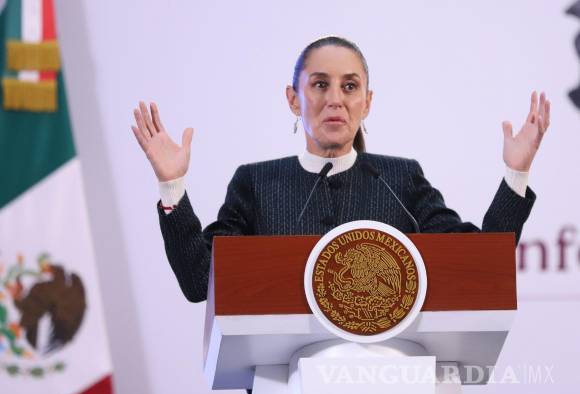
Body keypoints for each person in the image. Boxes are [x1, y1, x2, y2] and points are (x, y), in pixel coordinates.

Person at [131, 36, 550, 303]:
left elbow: (478, 262)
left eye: (350, 86)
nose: (335, 99)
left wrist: (516, 174)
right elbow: (199, 281)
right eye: (319, 84)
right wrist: (172, 186)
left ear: (367, 102)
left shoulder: (401, 179)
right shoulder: (256, 183)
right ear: (293, 99)